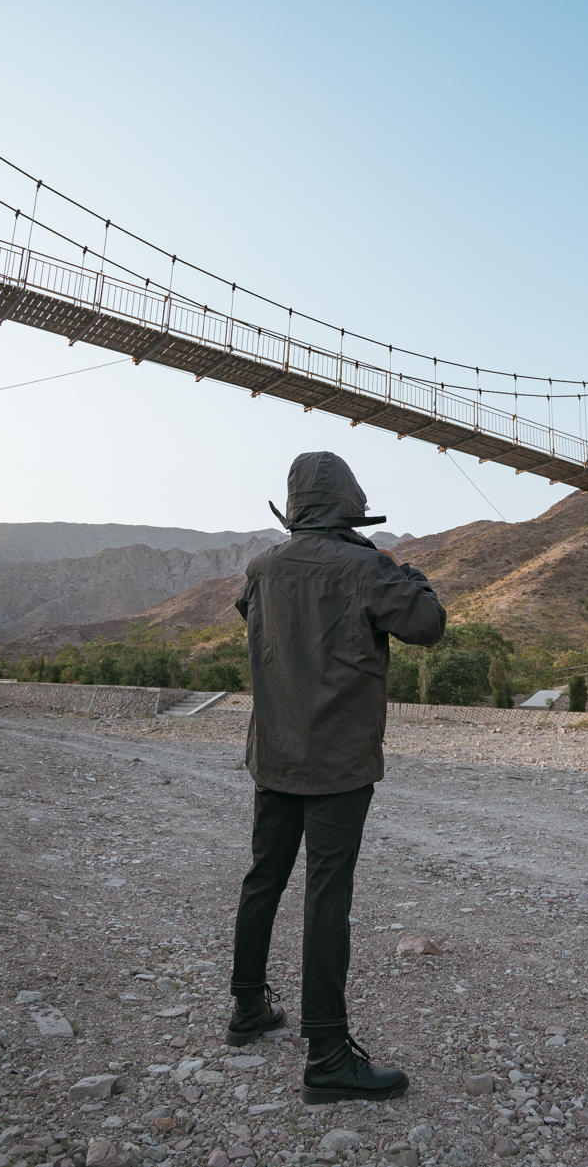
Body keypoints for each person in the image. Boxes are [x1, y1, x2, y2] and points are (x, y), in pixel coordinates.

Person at [226, 451, 446, 1103]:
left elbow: (252, 611)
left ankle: (247, 1008)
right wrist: (399, 566)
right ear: (350, 500)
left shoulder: (262, 567)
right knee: (327, 896)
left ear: (293, 506)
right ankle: (326, 1052)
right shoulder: (365, 567)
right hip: (338, 763)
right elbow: (427, 623)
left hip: (275, 753)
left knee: (263, 876)